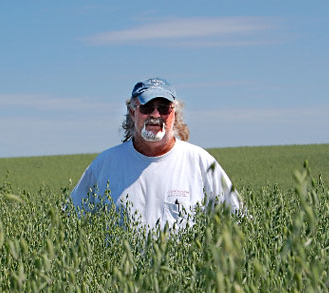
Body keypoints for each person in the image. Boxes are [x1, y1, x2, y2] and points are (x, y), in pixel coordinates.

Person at [70, 77, 240, 229]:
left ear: (174, 113)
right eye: (147, 107)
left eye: (164, 108)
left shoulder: (200, 161)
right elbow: (72, 220)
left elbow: (237, 220)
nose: (155, 114)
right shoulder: (105, 163)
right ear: (132, 112)